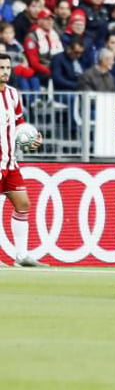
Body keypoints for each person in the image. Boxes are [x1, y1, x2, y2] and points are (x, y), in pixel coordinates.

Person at [0, 53, 46, 267]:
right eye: (1, 68)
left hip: (10, 162)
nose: (5, 72)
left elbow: (20, 124)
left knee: (23, 204)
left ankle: (21, 256)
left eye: (7, 68)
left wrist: (32, 137)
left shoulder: (12, 94)